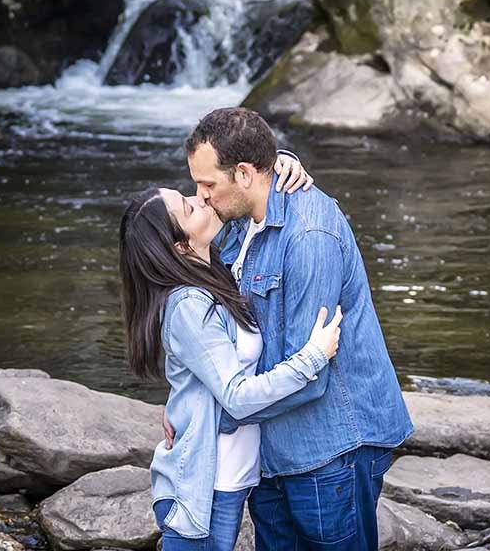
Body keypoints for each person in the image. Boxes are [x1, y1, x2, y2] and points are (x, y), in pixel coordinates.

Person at [179, 107, 414, 551]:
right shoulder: (238, 222)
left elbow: (310, 374)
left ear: (245, 174)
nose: (201, 195)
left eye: (208, 184)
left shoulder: (309, 236)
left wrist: (206, 417)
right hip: (271, 447)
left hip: (332, 447)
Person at [118, 155, 344, 551]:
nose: (202, 199)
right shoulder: (189, 304)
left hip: (232, 480)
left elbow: (248, 191)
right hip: (204, 488)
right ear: (180, 245)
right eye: (189, 207)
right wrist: (313, 356)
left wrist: (282, 163)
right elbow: (237, 396)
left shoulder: (218, 272)